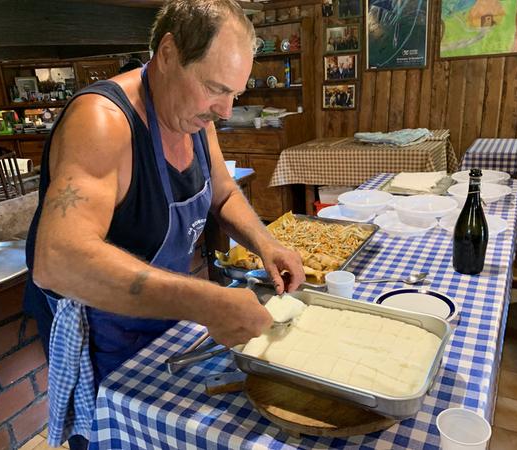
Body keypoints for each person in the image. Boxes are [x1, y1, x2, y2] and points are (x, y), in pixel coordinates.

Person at [22, 1, 305, 448]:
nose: (227, 111)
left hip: (162, 317)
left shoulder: (196, 116)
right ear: (169, 53)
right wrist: (207, 302)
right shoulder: (102, 122)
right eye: (215, 88)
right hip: (100, 336)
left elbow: (224, 193)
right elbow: (57, 262)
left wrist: (265, 243)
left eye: (235, 93)